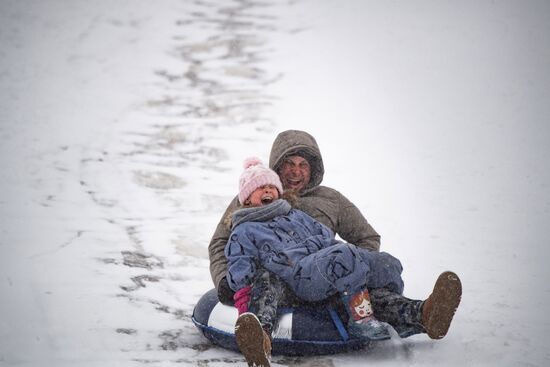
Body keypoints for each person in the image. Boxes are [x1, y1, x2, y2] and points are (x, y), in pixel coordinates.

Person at [208, 130, 462, 364]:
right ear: (276, 165)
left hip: (331, 280)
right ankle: (258, 335)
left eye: (303, 165)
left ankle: (424, 315)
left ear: (313, 169)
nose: (296, 172)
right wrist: (226, 285)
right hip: (282, 281)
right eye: (289, 164)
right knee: (268, 279)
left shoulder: (331, 200)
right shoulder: (250, 200)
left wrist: (352, 276)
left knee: (373, 289)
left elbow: (366, 238)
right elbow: (223, 243)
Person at [227, 157, 403, 365]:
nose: (267, 191)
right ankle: (259, 338)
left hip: (321, 267)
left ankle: (422, 314)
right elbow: (240, 266)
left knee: (388, 262)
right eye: (260, 188)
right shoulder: (244, 229)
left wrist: (351, 261)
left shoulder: (295, 215)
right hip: (297, 275)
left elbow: (326, 235)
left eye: (271, 187)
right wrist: (242, 306)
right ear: (247, 199)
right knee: (343, 255)